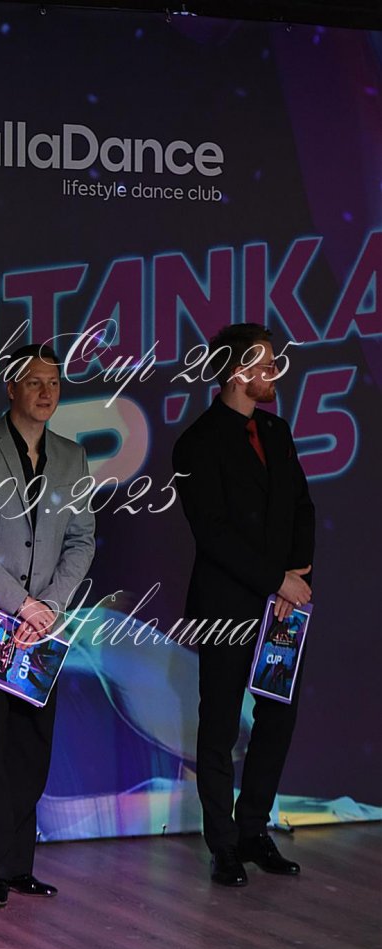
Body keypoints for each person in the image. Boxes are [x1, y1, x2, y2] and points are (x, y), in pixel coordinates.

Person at [0, 344, 96, 908]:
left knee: (31, 748)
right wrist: (21, 603)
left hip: (40, 629)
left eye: (53, 382)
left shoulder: (72, 457)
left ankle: (18, 863)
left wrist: (47, 606)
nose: (46, 392)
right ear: (10, 388)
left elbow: (81, 541)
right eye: (33, 382)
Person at [172, 323, 315, 887]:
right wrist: (276, 580)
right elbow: (214, 534)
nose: (274, 373)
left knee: (278, 716)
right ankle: (224, 843)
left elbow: (302, 507)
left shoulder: (277, 431)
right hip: (228, 606)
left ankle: (254, 829)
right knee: (221, 723)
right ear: (236, 372)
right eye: (265, 364)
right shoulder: (197, 443)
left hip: (283, 607)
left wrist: (296, 577)